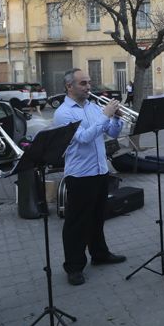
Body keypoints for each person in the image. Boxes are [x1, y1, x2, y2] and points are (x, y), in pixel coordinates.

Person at [53, 68, 127, 287]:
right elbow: (84, 138)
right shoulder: (64, 113)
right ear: (69, 86)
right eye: (83, 83)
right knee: (77, 223)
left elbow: (112, 134)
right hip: (80, 174)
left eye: (89, 82)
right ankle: (74, 266)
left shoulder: (94, 107)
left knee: (97, 217)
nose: (88, 87)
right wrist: (105, 115)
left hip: (100, 170)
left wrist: (115, 119)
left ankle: (99, 254)